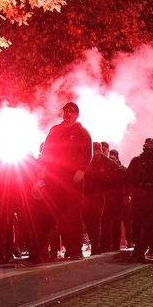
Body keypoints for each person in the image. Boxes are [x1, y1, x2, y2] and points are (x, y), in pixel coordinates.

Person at [39, 102, 92, 260]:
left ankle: (74, 250)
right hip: (53, 178)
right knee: (48, 215)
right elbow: (46, 151)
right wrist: (41, 170)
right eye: (65, 111)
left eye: (71, 112)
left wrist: (82, 169)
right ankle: (42, 252)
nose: (67, 114)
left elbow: (87, 154)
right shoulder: (55, 131)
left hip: (72, 180)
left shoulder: (82, 132)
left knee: (72, 216)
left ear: (77, 115)